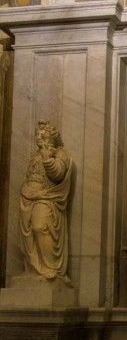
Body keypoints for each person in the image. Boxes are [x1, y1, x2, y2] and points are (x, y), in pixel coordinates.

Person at [19, 120, 73, 280]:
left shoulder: (60, 153)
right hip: (27, 197)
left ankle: (50, 268)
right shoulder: (34, 156)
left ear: (52, 137)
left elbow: (57, 174)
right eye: (37, 135)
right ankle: (34, 268)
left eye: (43, 135)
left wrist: (47, 158)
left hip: (46, 196)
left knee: (40, 227)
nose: (39, 137)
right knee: (28, 234)